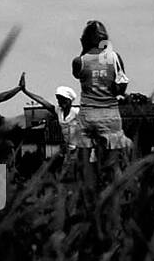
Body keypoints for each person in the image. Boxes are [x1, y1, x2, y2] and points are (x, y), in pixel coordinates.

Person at [72, 20, 130, 162]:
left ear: (85, 40)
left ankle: (87, 184)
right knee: (113, 165)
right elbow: (121, 88)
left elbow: (76, 74)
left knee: (83, 164)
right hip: (110, 115)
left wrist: (84, 48)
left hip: (88, 115)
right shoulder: (114, 58)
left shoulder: (79, 61)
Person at [21, 80, 82, 161]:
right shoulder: (59, 111)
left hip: (79, 150)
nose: (59, 102)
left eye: (62, 99)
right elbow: (42, 101)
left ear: (69, 100)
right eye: (58, 99)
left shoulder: (77, 112)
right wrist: (25, 91)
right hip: (67, 150)